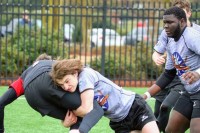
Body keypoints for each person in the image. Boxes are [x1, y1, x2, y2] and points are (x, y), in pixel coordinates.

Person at [0, 53, 103, 133]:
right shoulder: (53, 66)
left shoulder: (27, 73)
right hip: (46, 84)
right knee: (88, 109)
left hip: (32, 98)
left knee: (73, 115)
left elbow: (1, 103)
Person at [50, 58, 160, 133]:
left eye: (66, 81)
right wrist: (65, 122)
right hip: (119, 121)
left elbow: (86, 109)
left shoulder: (85, 75)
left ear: (74, 72)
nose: (65, 87)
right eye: (61, 85)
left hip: (134, 108)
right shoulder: (74, 88)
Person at [143, 6, 200, 133]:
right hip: (190, 92)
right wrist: (146, 95)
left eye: (170, 22)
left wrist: (198, 73)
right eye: (164, 23)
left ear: (182, 22)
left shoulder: (192, 36)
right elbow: (168, 74)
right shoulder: (171, 41)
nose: (166, 26)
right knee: (171, 130)